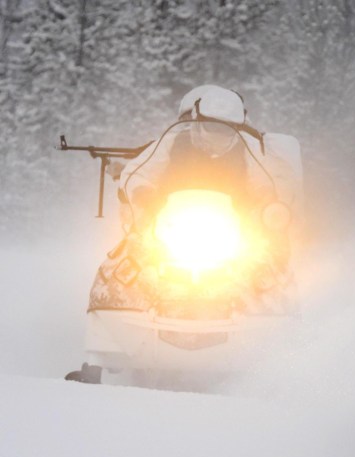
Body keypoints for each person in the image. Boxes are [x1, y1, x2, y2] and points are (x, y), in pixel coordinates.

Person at [65, 85, 301, 383]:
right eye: (209, 128)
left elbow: (266, 185)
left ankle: (281, 356)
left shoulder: (249, 152)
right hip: (167, 228)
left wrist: (267, 207)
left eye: (228, 131)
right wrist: (142, 194)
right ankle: (101, 350)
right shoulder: (170, 144)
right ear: (194, 122)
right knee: (117, 273)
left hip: (235, 233)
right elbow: (141, 171)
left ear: (239, 129)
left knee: (273, 279)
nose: (218, 136)